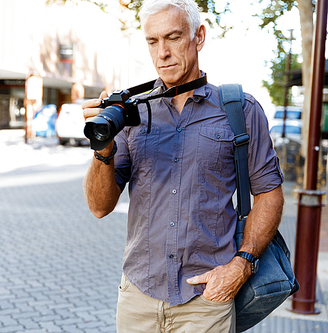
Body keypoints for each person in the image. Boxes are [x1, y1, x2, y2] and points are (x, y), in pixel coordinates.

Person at [82, 0, 285, 332]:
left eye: (174, 37)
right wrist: (101, 148)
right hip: (138, 295)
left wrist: (241, 265)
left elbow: (269, 194)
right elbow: (99, 207)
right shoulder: (132, 115)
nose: (162, 52)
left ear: (199, 37)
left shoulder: (240, 110)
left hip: (207, 298)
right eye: (152, 41)